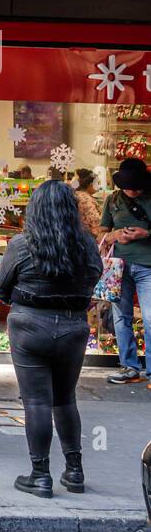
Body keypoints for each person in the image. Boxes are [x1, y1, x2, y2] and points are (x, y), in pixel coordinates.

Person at [0, 180, 101, 498]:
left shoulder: (22, 244)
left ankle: (40, 475)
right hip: (73, 327)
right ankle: (75, 470)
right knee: (65, 399)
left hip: (29, 326)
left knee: (36, 401)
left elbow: (1, 290)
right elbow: (94, 277)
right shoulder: (86, 243)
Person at [99, 157, 151, 386]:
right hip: (118, 268)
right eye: (128, 186)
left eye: (136, 186)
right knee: (121, 318)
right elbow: (101, 233)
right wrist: (115, 235)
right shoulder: (112, 200)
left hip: (148, 266)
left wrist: (146, 234)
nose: (131, 191)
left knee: (150, 319)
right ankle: (130, 367)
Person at [71, 168, 101, 239]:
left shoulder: (74, 195)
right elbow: (95, 223)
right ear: (91, 185)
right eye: (98, 183)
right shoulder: (86, 200)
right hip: (86, 237)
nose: (99, 186)